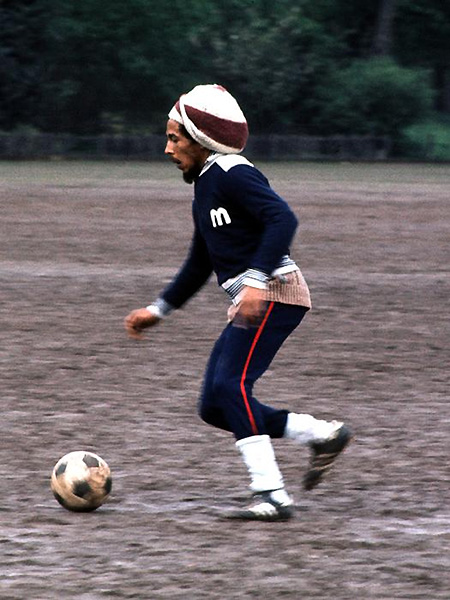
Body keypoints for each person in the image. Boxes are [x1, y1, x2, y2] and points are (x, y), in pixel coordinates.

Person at [124, 84, 352, 521]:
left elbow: (282, 218)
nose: (167, 148)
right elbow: (200, 261)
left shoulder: (232, 172)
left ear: (201, 139)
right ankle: (322, 435)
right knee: (214, 405)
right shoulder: (206, 186)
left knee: (231, 388)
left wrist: (256, 282)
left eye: (174, 138)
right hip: (258, 298)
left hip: (276, 294)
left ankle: (272, 495)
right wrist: (158, 310)